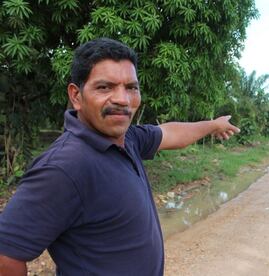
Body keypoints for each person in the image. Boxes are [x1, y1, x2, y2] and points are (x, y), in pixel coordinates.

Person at [0, 38, 240, 275]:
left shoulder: (129, 139)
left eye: (131, 88)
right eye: (104, 87)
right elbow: (5, 258)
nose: (122, 100)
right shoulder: (64, 168)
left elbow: (170, 133)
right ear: (76, 96)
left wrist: (213, 124)